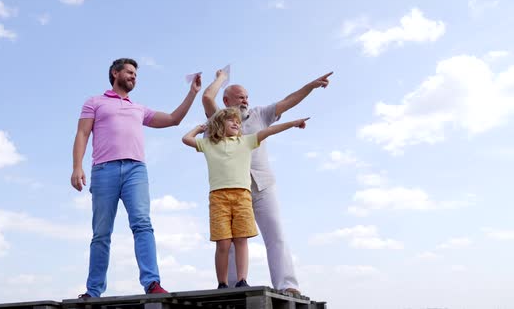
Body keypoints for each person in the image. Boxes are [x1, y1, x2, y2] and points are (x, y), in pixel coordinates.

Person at [71, 58, 202, 298]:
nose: (134, 76)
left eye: (136, 74)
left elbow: (174, 119)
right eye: (129, 72)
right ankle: (93, 291)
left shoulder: (138, 109)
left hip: (135, 171)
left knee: (142, 224)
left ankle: (152, 283)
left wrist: (192, 93)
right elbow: (82, 133)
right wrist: (77, 166)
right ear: (115, 73)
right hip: (104, 170)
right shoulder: (95, 102)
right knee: (101, 232)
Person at [201, 69, 333, 294]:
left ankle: (288, 284)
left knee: (276, 234)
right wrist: (222, 78)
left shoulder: (259, 115)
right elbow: (206, 98)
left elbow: (289, 101)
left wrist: (310, 86)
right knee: (231, 240)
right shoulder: (219, 122)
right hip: (231, 189)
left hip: (262, 185)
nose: (245, 99)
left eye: (247, 96)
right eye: (240, 96)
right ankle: (234, 287)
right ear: (226, 100)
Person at [182, 107, 310, 289]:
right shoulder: (210, 144)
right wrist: (200, 128)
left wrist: (293, 123)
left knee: (241, 239)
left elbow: (269, 130)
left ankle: (242, 280)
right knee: (223, 242)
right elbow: (186, 139)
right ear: (219, 124)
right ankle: (222, 283)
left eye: (238, 122)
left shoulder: (245, 142)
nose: (236, 123)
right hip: (219, 198)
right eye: (231, 120)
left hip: (242, 196)